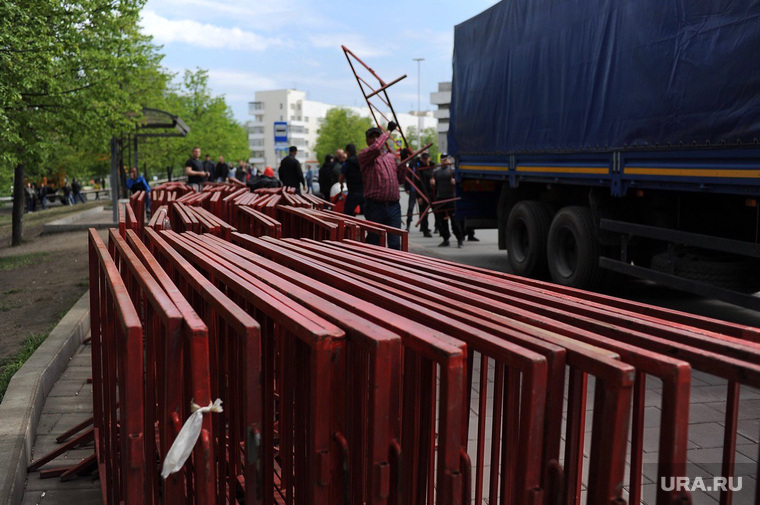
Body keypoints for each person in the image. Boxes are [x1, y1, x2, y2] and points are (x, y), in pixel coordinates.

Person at [358, 122, 406, 250]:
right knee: (375, 242)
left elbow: (400, 179)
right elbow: (375, 149)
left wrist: (403, 163)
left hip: (393, 205)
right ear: (367, 140)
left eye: (377, 137)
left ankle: (395, 269)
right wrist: (387, 133)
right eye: (372, 137)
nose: (375, 140)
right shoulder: (364, 156)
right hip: (375, 206)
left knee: (395, 243)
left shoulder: (390, 157)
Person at [430, 155, 464, 248]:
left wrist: (455, 181)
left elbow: (461, 182)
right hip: (441, 197)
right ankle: (445, 239)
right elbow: (433, 184)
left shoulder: (453, 170)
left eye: (446, 159)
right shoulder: (436, 171)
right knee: (442, 221)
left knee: (454, 220)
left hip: (451, 198)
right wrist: (432, 182)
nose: (444, 160)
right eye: (443, 159)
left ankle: (459, 239)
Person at [411, 152, 434, 237]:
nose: (425, 160)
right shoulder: (419, 168)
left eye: (426, 158)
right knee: (424, 213)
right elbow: (417, 183)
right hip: (423, 193)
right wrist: (419, 196)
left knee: (437, 212)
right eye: (424, 158)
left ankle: (438, 227)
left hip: (433, 193)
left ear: (429, 158)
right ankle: (425, 230)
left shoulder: (433, 166)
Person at [339, 143, 363, 216]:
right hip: (364, 192)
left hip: (352, 192)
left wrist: (341, 184)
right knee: (369, 215)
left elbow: (341, 177)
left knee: (347, 214)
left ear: (348, 152)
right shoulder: (361, 161)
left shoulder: (346, 163)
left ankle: (350, 227)